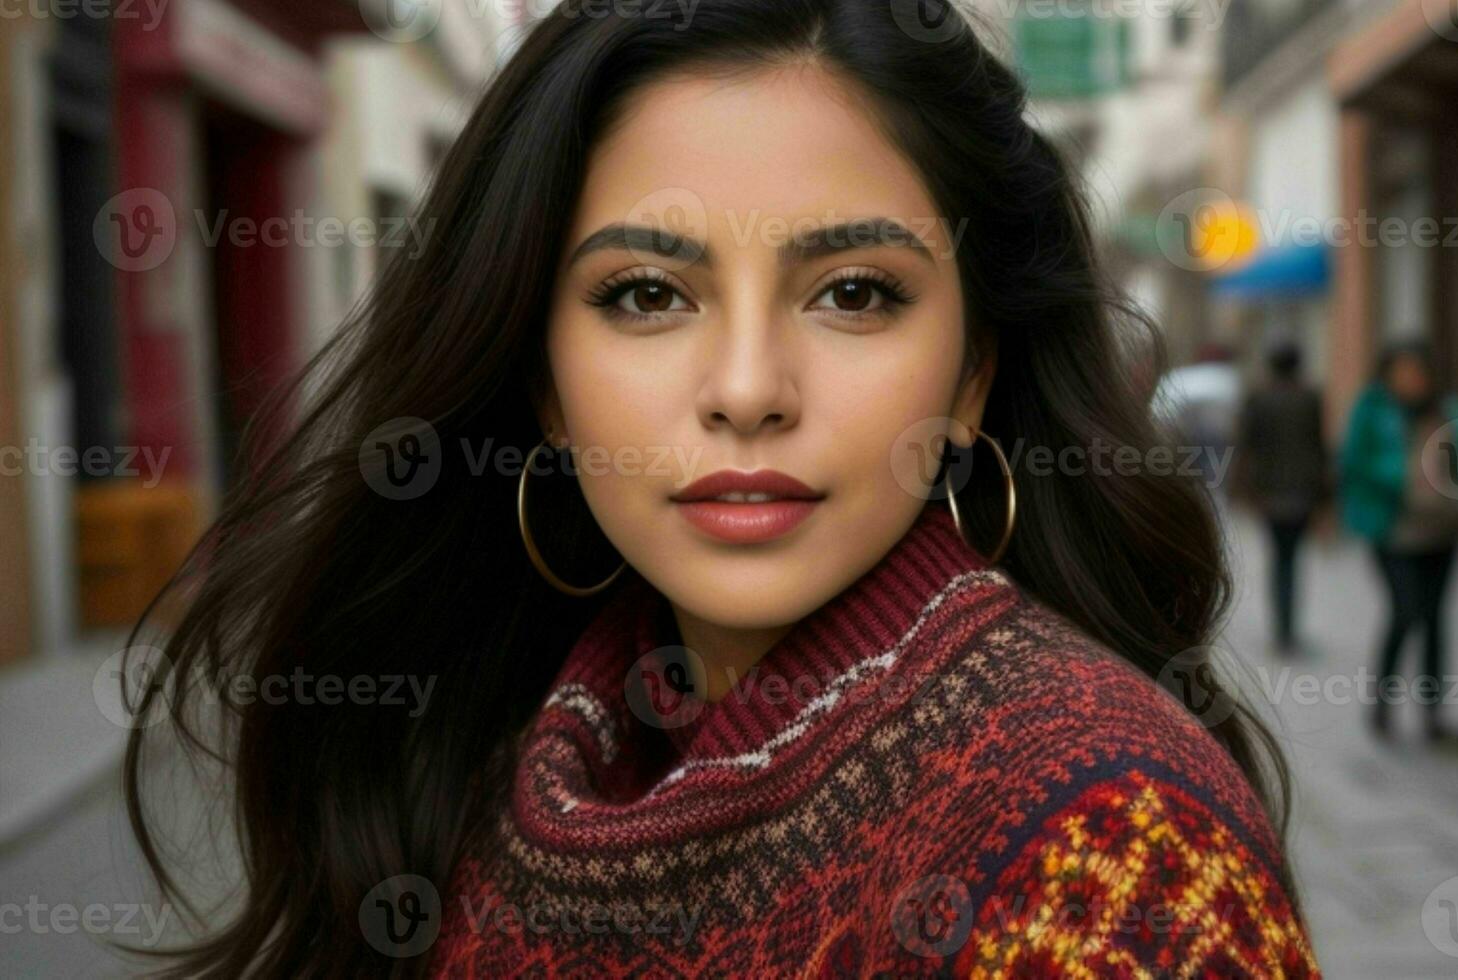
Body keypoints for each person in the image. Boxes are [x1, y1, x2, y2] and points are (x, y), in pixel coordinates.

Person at [116, 1, 1319, 975]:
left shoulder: (1113, 851)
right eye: (647, 293)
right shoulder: (501, 767)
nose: (747, 390)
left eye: (854, 291)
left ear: (970, 378)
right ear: (543, 382)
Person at [1341, 340, 1458, 740]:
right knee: (1405, 611)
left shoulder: (1450, 410)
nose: (1411, 380)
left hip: (1442, 531)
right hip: (1393, 529)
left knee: (1434, 618)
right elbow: (1353, 462)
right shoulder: (1373, 410)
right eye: (1403, 371)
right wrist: (1398, 479)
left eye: (1418, 371)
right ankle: (1382, 701)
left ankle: (1432, 712)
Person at [1235, 342, 1328, 654]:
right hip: (1302, 491)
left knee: (1280, 559)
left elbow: (1246, 445)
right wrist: (1325, 495)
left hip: (1270, 492)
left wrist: (1244, 489)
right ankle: (1288, 628)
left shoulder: (1259, 398)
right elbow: (1318, 446)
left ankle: (1282, 627)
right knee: (1292, 559)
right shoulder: (1309, 398)